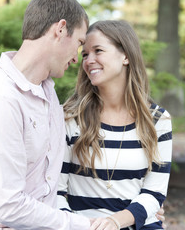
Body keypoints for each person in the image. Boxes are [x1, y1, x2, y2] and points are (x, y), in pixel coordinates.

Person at [0, 0, 91, 229]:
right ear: (60, 29)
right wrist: (84, 225)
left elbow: (47, 187)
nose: (77, 58)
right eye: (79, 43)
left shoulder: (47, 93)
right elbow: (8, 205)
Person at [57, 20, 172, 230]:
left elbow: (154, 193)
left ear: (126, 56)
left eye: (98, 51)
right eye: (84, 54)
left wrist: (114, 222)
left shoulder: (157, 120)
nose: (89, 60)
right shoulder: (69, 117)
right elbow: (56, 191)